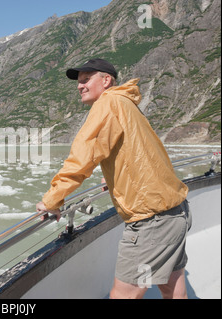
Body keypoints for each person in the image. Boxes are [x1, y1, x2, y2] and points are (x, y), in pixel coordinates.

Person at [36, 58, 191, 299]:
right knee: (173, 291)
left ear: (106, 80)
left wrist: (52, 199)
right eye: (79, 82)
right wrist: (117, 178)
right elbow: (140, 153)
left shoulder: (107, 104)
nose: (80, 86)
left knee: (124, 295)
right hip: (174, 213)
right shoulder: (125, 103)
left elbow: (83, 157)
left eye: (86, 79)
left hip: (151, 221)